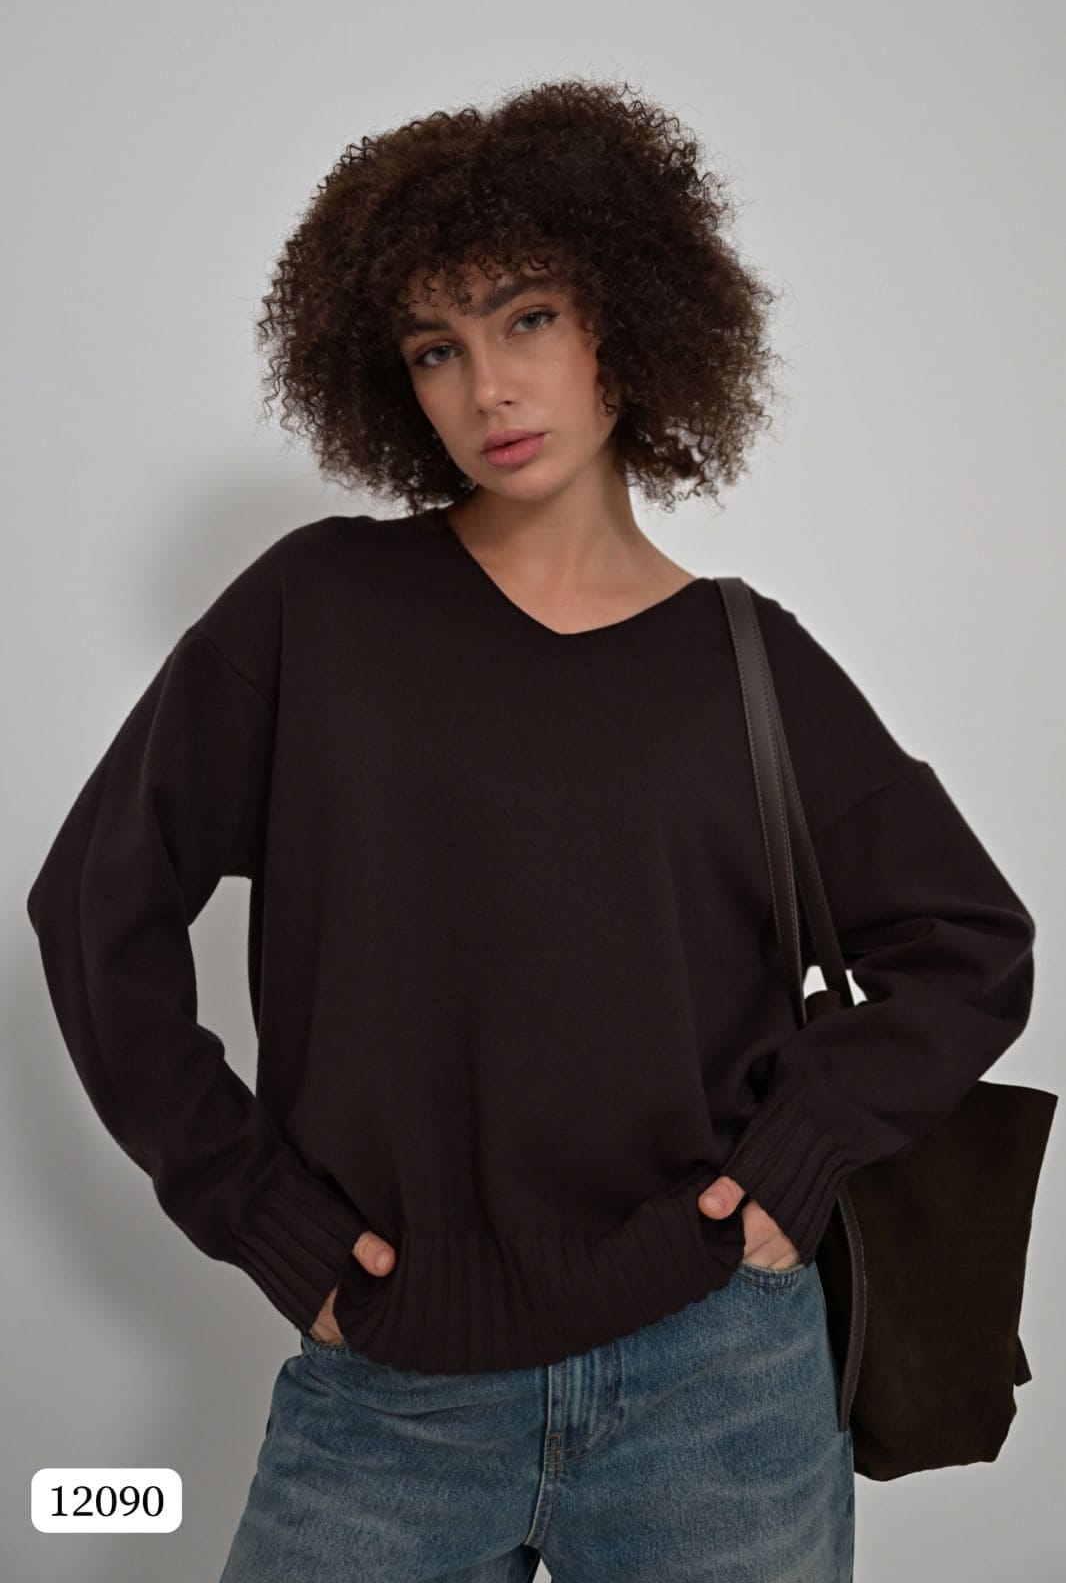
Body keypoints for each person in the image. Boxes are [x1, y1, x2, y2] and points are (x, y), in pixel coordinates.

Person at [26, 78, 1035, 1582]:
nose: (487, 387)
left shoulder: (749, 663)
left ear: (626, 321)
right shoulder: (318, 610)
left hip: (718, 1385)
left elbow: (968, 942)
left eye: (528, 319)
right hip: (390, 1392)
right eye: (436, 347)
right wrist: (256, 1210)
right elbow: (93, 906)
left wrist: (800, 1155)